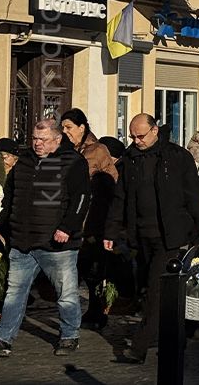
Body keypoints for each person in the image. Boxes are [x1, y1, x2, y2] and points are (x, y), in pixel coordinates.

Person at [106, 113, 199, 364]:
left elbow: (194, 196)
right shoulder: (130, 159)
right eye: (132, 136)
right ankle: (178, 334)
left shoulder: (177, 157)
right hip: (139, 234)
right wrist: (111, 231)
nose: (136, 140)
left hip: (170, 235)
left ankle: (139, 346)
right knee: (149, 289)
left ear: (155, 131)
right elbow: (120, 198)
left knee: (156, 290)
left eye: (140, 136)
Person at [0, 119, 90, 358]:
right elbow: (9, 197)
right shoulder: (24, 162)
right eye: (34, 138)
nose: (37, 144)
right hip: (22, 241)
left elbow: (81, 199)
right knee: (15, 292)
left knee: (66, 293)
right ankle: (2, 338)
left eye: (43, 140)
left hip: (57, 243)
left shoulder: (72, 162)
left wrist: (67, 228)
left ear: (57, 139)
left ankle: (69, 335)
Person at [59, 109, 120, 331]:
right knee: (73, 268)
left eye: (69, 127)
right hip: (70, 219)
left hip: (93, 219)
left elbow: (112, 182)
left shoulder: (98, 150)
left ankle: (97, 309)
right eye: (63, 128)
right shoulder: (64, 151)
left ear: (82, 128)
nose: (65, 132)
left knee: (92, 268)